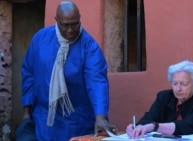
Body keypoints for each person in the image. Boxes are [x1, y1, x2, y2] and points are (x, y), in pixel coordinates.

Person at [18, 1, 118, 141]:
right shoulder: (40, 39)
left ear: (80, 19)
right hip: (43, 118)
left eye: (75, 24)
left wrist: (100, 115)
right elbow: (28, 73)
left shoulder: (89, 47)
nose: (71, 30)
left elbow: (96, 81)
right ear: (56, 21)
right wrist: (27, 111)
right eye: (65, 25)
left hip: (76, 120)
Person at [126, 60, 193, 138]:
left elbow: (186, 125)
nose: (178, 89)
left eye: (184, 84)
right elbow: (150, 118)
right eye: (175, 83)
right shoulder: (164, 97)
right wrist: (137, 127)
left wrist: (155, 126)